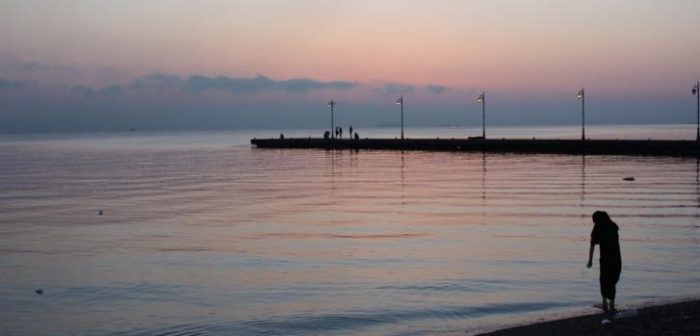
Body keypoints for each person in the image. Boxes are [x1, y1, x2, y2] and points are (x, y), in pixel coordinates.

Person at [587, 210, 622, 313]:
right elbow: (611, 240)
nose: (593, 222)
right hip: (616, 258)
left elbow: (592, 244)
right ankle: (611, 303)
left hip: (606, 259)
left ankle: (604, 302)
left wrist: (590, 261)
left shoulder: (597, 227)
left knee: (604, 280)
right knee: (612, 280)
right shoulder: (613, 226)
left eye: (594, 220)